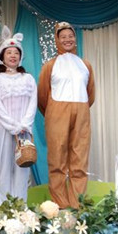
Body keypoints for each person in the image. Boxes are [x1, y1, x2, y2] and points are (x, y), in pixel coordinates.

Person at [37, 22, 95, 209]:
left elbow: (90, 93)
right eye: (63, 37)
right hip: (56, 114)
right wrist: (53, 112)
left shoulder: (85, 65)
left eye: (70, 36)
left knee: (80, 160)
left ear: (75, 39)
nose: (67, 39)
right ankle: (60, 206)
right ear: (57, 40)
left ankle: (77, 205)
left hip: (82, 114)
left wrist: (80, 109)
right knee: (57, 161)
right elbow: (42, 95)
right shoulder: (50, 65)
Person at [0, 26, 37, 204]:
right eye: (9, 52)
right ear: (2, 56)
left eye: (16, 52)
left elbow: (33, 103)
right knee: (3, 168)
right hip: (3, 129)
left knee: (22, 167)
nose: (13, 56)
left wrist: (24, 124)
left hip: (24, 130)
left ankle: (21, 208)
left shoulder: (28, 79)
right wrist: (12, 126)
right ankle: (5, 207)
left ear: (20, 56)